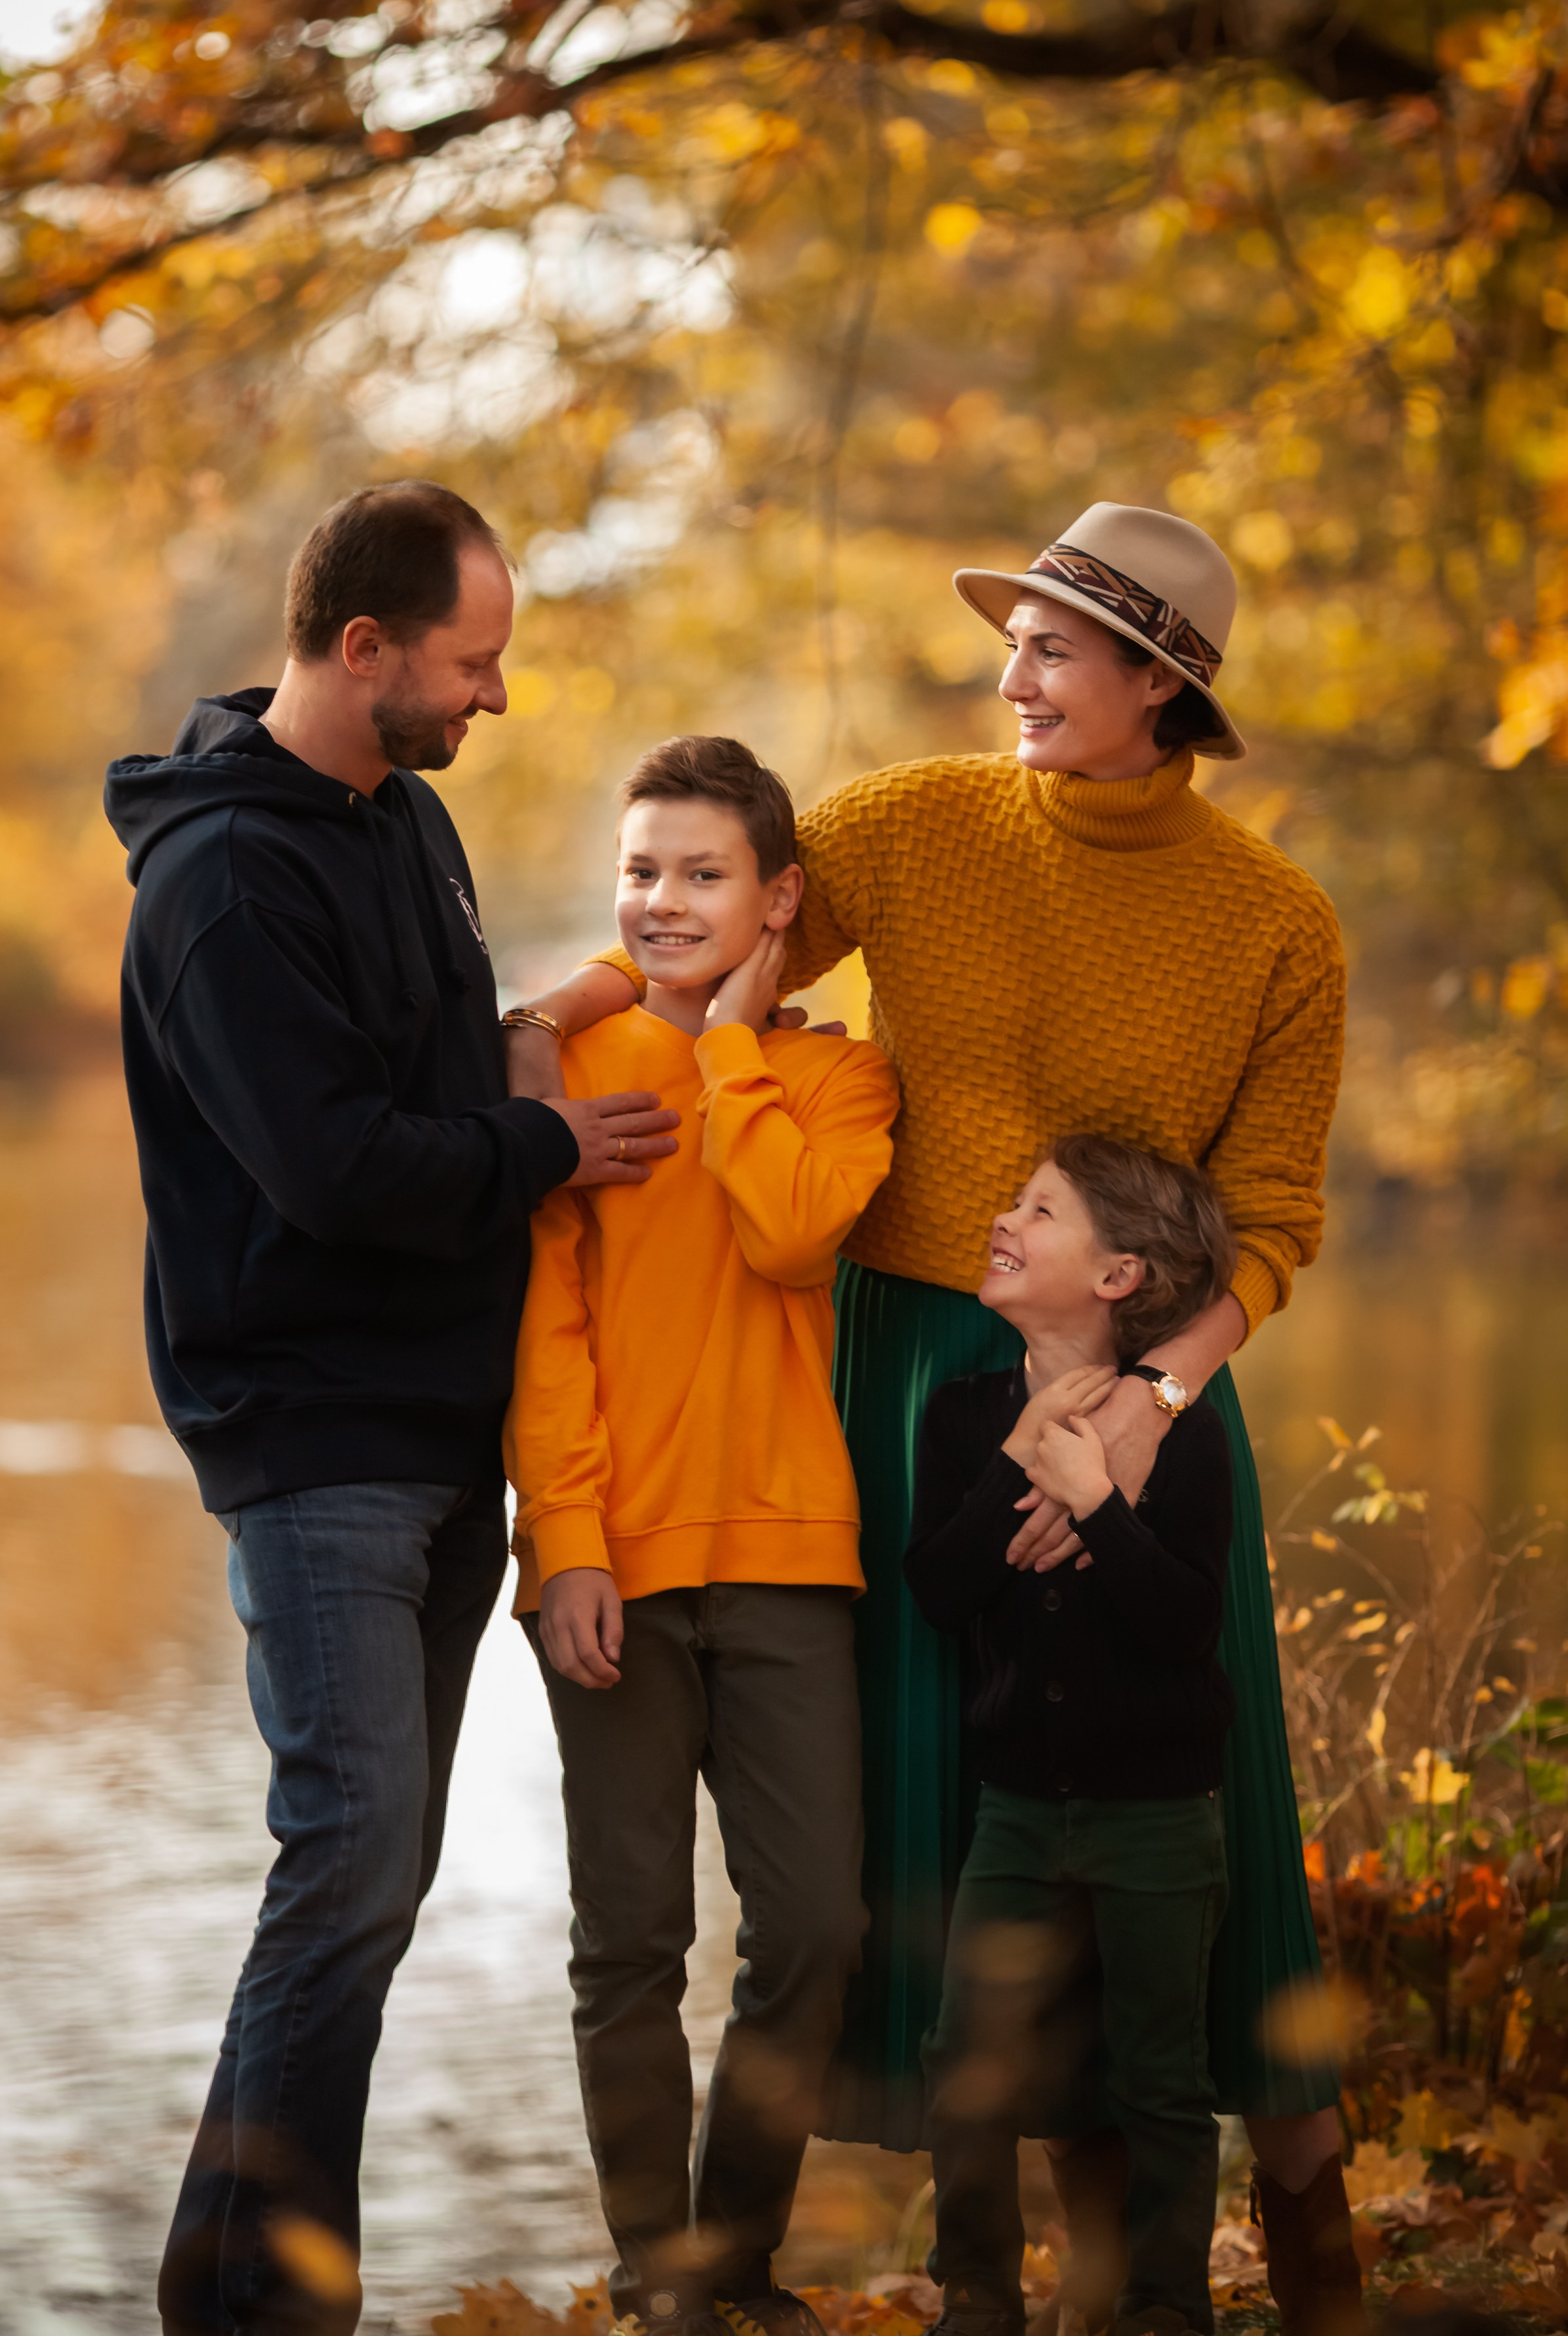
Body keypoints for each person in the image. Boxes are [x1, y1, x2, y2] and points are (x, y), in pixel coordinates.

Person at [505, 504, 1361, 2336]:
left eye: (1057, 649)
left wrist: (1149, 1399)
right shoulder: (910, 822)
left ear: (1162, 685)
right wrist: (546, 1021)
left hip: (1150, 1407)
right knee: (949, 1838)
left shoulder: (1281, 927)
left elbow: (1274, 1226)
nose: (1015, 675)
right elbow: (712, 925)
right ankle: (976, 2283)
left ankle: (1289, 2255)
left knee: (1180, 1815)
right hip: (897, 1387)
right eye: (1019, 639)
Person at [104, 481, 683, 2336]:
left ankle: (254, 2290)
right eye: (473, 658)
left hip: (443, 1436)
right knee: (349, 1856)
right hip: (318, 1441)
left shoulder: (405, 823)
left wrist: (521, 1046)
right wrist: (542, 1139)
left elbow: (430, 1080)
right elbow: (339, 1166)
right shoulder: (219, 883)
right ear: (365, 652)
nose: (493, 695)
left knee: (381, 1871)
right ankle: (256, 2307)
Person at [504, 736, 899, 2336]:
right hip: (610, 1565)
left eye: (701, 873)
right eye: (640, 872)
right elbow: (548, 1327)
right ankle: (658, 2284)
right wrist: (566, 1542)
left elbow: (798, 1237)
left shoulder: (838, 1080)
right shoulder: (565, 1085)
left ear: (776, 897)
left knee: (813, 1927)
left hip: (795, 1561)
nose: (662, 902)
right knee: (630, 1944)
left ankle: (734, 2257)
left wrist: (729, 1054)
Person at [905, 1138, 1238, 2336]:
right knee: (966, 2061)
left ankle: (1162, 2307)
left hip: (1160, 1812)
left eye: (1039, 1211)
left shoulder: (1181, 1432)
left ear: (1118, 1275)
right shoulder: (963, 1419)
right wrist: (1013, 1469)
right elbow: (939, 1592)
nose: (1004, 1219)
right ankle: (981, 2302)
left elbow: (1185, 1626)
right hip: (1018, 1808)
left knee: (1161, 2078)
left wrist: (1096, 1502)